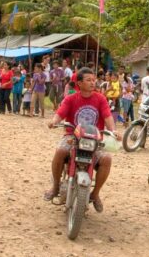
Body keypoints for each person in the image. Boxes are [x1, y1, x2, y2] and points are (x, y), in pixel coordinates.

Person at [45, 68, 119, 210]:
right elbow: (60, 114)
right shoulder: (70, 98)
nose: (93, 82)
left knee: (107, 159)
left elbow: (108, 116)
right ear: (79, 83)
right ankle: (55, 187)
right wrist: (54, 122)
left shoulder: (100, 98)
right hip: (72, 136)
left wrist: (113, 130)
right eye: (88, 80)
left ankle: (95, 194)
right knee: (60, 151)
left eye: (94, 80)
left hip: (94, 139)